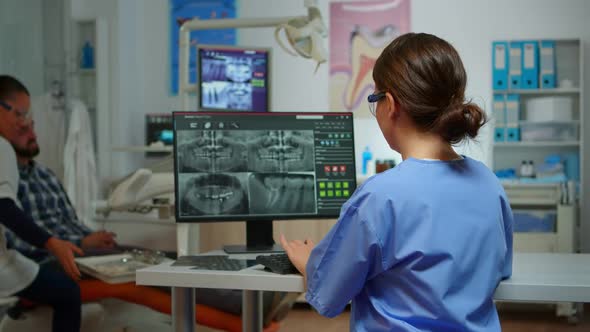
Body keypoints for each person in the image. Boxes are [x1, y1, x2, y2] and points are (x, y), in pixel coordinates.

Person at [2, 75, 295, 329]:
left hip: (79, 251)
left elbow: (67, 225)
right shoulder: (10, 178)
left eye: (31, 121)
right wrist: (59, 245)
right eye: (22, 120)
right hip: (49, 264)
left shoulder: (44, 175)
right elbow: (20, 236)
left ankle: (247, 305)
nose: (30, 128)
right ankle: (245, 313)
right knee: (146, 276)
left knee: (159, 258)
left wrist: (87, 238)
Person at [280, 33, 514, 331]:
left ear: (389, 104)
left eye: (374, 99)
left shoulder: (379, 196)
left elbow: (330, 293)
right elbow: (500, 269)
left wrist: (310, 262)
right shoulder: (488, 183)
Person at [0, 75, 83, 332]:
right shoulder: (2, 147)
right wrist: (51, 243)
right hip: (6, 266)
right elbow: (4, 208)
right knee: (68, 293)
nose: (24, 123)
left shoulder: (45, 175)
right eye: (20, 114)